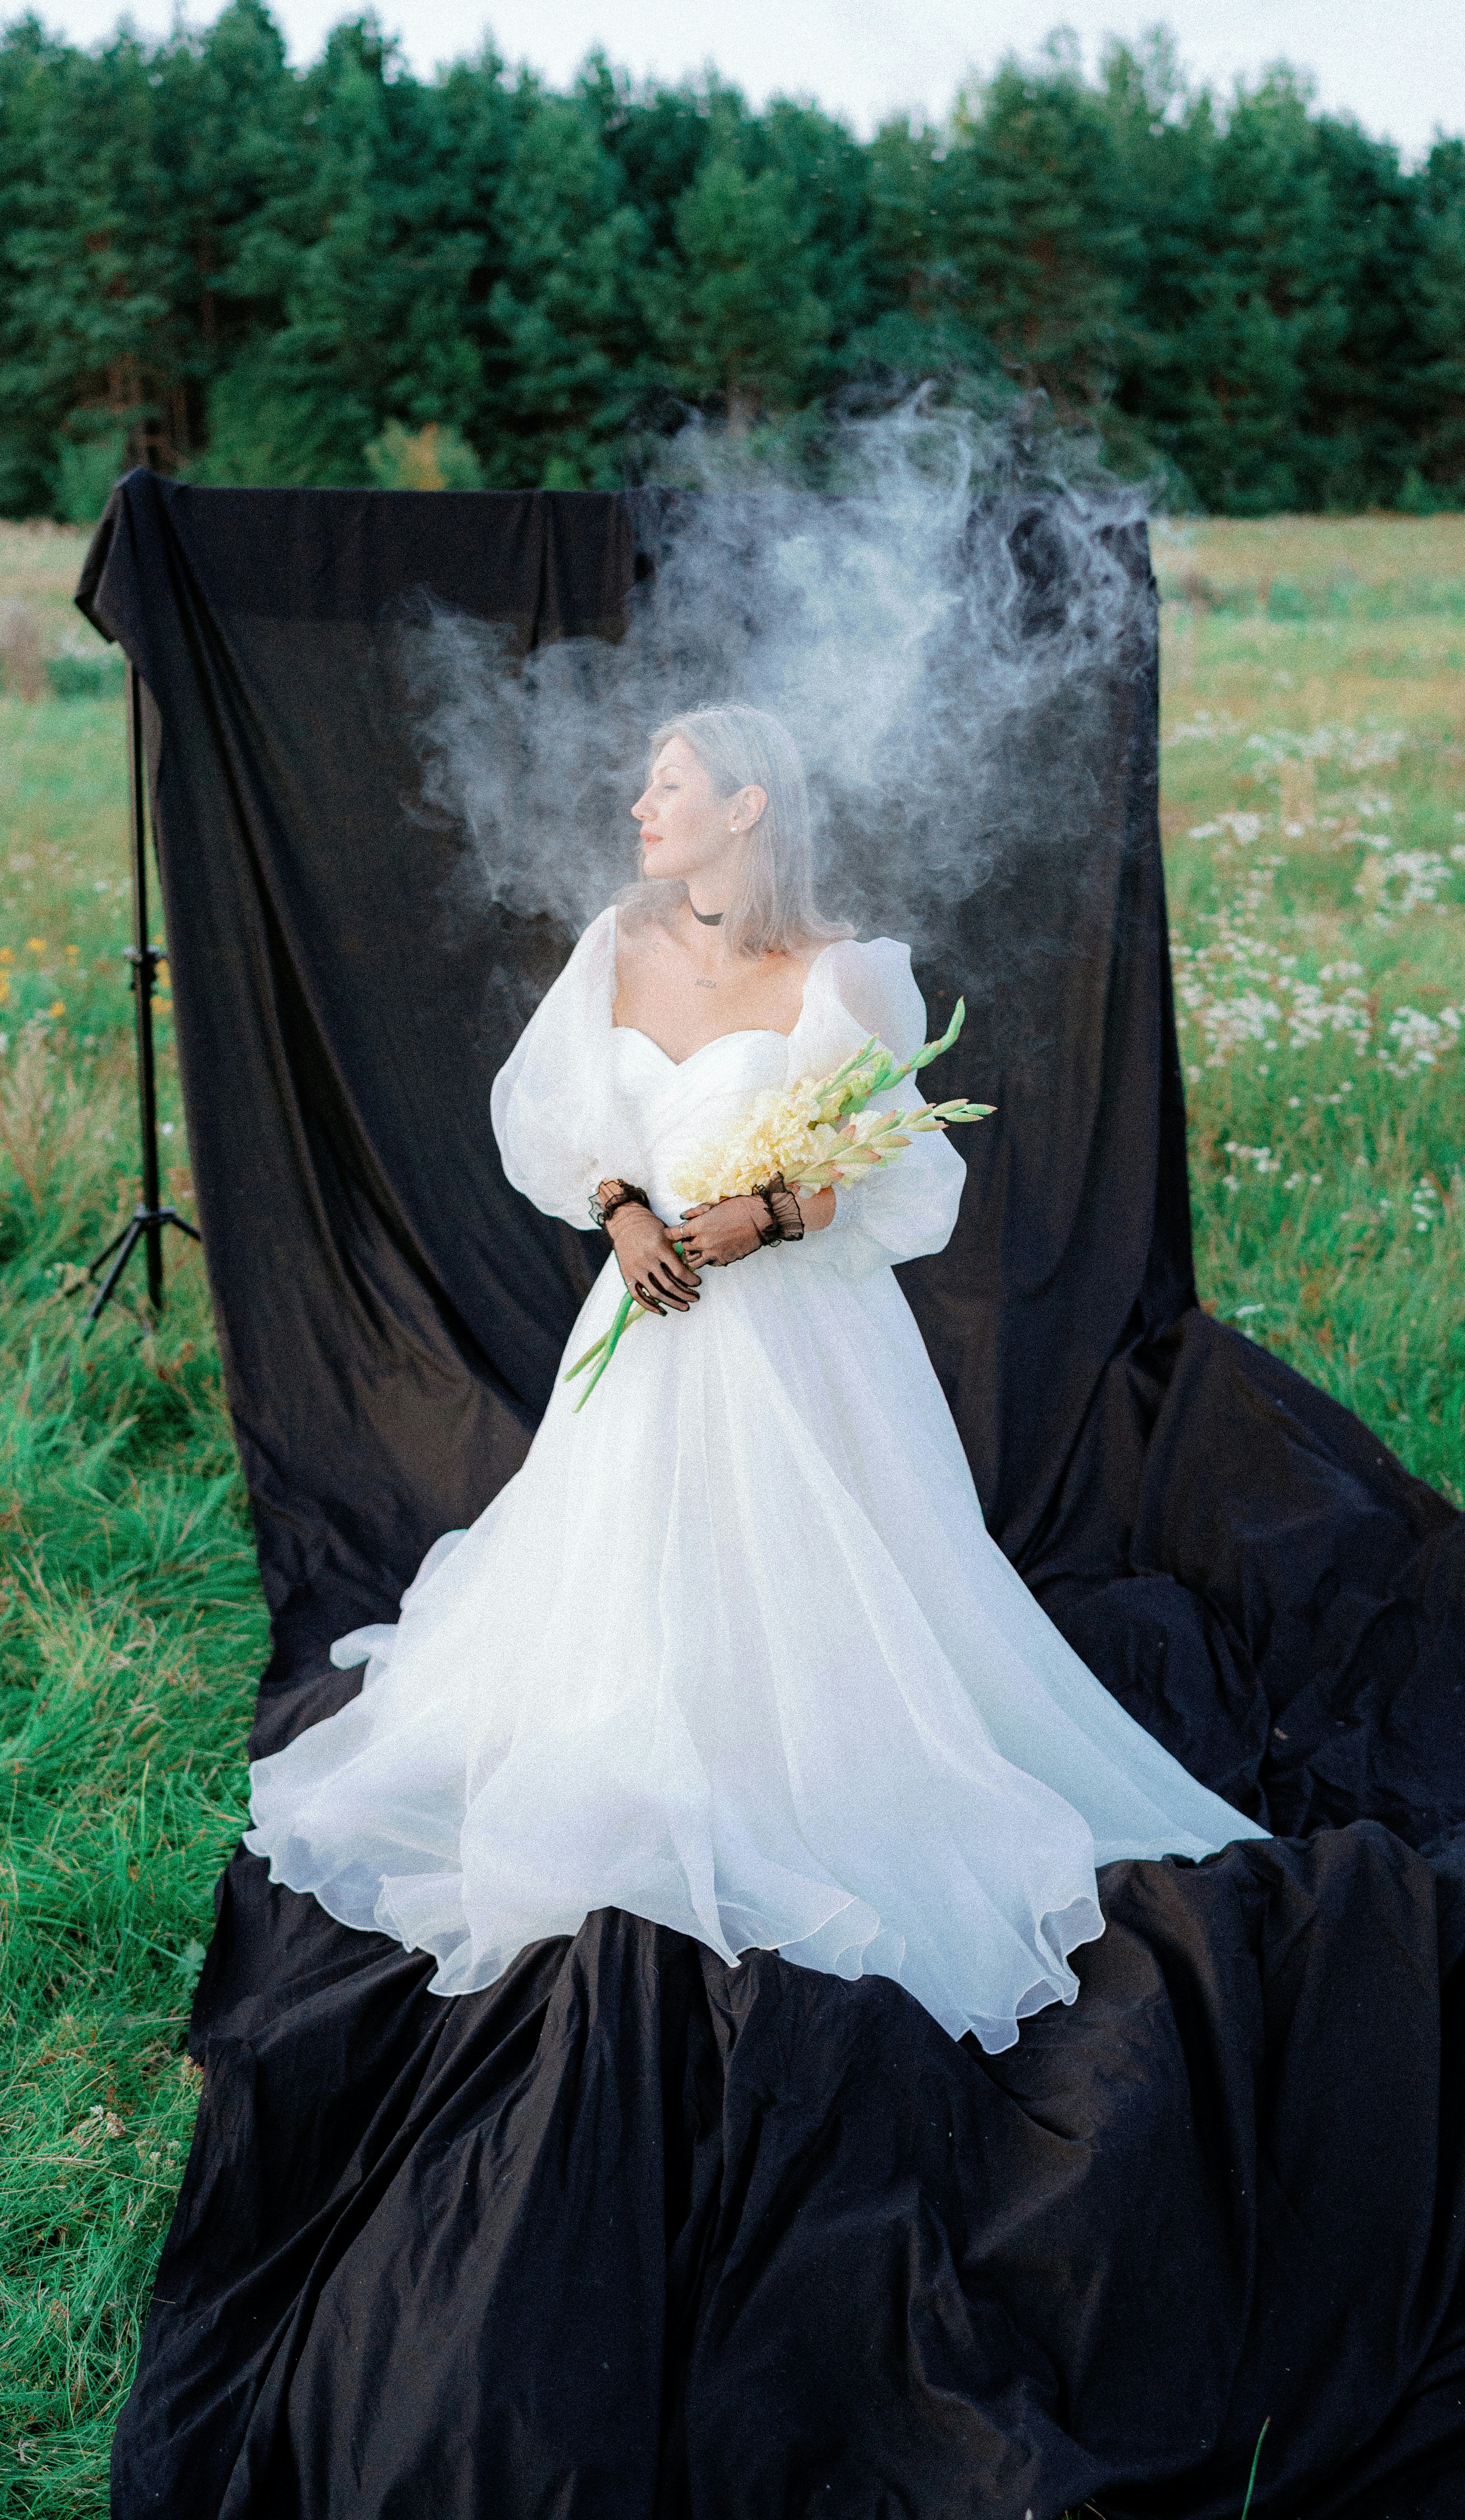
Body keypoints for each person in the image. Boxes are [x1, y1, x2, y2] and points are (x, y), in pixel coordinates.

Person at [244, 702, 1266, 2053]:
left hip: (794, 1339)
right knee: (614, 1556)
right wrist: (623, 1212)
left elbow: (901, 1179)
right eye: (644, 784)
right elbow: (559, 1117)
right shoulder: (619, 943)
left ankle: (805, 1771)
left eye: (668, 785)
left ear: (747, 807)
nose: (639, 808)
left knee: (804, 1571)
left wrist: (770, 1216)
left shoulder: (845, 976)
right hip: (648, 1308)